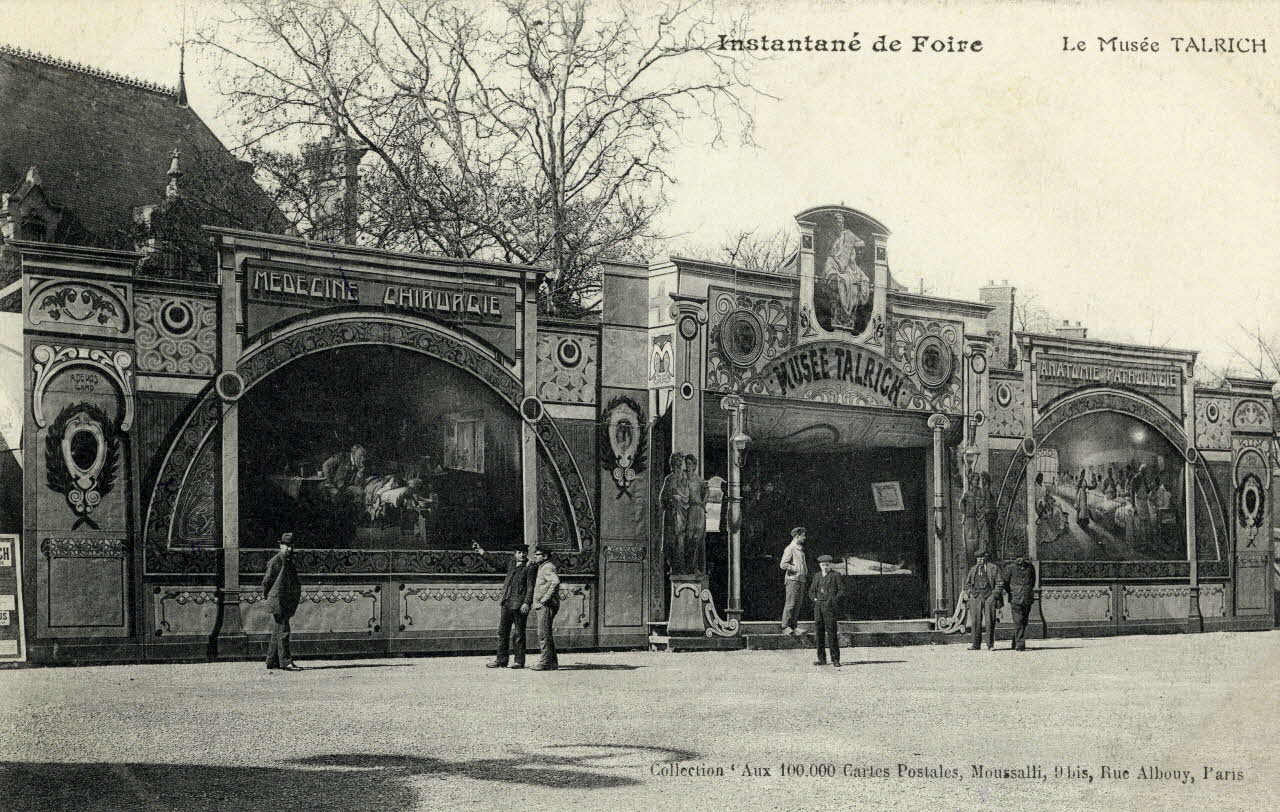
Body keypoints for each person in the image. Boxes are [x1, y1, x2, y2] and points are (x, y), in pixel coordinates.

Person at [475, 542, 537, 669]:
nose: (523, 555)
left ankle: (519, 661)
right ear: (515, 554)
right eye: (520, 552)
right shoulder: (511, 563)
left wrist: (527, 602)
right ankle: (501, 660)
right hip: (507, 602)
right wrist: (481, 551)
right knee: (502, 632)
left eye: (524, 552)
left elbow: (531, 587)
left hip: (519, 604)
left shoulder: (530, 567)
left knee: (519, 633)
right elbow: (496, 563)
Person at [822, 212, 871, 328]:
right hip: (833, 261)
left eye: (841, 222)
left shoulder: (848, 234)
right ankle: (840, 314)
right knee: (835, 275)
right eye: (838, 222)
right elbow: (829, 252)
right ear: (834, 224)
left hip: (846, 263)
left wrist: (851, 245)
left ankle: (846, 314)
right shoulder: (830, 236)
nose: (840, 225)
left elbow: (862, 243)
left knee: (853, 278)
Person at [263, 532, 302, 671]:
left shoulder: (288, 561)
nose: (289, 549)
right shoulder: (276, 560)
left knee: (278, 630)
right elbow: (266, 581)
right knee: (284, 630)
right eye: (286, 545)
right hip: (278, 601)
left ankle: (271, 661)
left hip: (284, 600)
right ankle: (285, 662)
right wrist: (269, 596)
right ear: (280, 545)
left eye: (291, 546)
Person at [808, 555, 845, 667]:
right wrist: (814, 598)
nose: (825, 567)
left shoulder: (835, 575)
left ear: (830, 565)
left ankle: (835, 659)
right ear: (820, 565)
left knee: (831, 632)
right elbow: (811, 590)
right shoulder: (817, 576)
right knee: (819, 632)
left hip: (829, 608)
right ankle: (821, 658)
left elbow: (841, 590)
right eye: (823, 565)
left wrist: (833, 600)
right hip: (818, 607)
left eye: (827, 565)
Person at [529, 547, 560, 671]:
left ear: (545, 556)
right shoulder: (543, 567)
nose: (535, 556)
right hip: (544, 604)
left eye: (538, 554)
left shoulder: (547, 567)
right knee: (546, 633)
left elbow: (556, 582)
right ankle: (552, 662)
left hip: (546, 605)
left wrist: (545, 598)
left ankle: (544, 662)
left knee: (543, 634)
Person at [963, 553, 1002, 651]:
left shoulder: (993, 568)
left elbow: (999, 582)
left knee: (990, 620)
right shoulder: (973, 569)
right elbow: (967, 584)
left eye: (982, 558)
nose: (980, 560)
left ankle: (990, 645)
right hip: (975, 597)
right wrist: (970, 593)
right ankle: (975, 644)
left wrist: (994, 594)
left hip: (989, 596)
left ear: (986, 558)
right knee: (975, 621)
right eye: (978, 558)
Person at [658, 453, 689, 575]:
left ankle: (682, 566)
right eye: (675, 464)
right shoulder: (669, 479)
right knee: (670, 541)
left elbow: (690, 494)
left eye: (679, 464)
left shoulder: (685, 478)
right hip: (671, 514)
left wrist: (682, 500)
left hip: (683, 513)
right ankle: (673, 566)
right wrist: (671, 499)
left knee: (682, 539)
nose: (677, 467)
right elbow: (662, 498)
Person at [1001, 555, 1037, 651]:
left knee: (1024, 621)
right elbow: (1005, 582)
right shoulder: (1010, 568)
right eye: (1017, 557)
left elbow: (1033, 581)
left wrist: (1028, 590)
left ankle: (1015, 641)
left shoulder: (1030, 567)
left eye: (1022, 557)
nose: (1020, 559)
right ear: (1014, 558)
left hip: (1027, 597)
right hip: (1015, 597)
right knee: (1018, 621)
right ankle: (1020, 644)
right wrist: (1011, 592)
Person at [779, 527, 811, 635]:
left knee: (797, 604)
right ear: (797, 536)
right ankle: (785, 626)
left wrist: (804, 573)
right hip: (792, 580)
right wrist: (795, 569)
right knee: (791, 603)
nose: (804, 538)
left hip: (800, 580)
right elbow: (783, 564)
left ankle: (794, 626)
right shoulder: (790, 548)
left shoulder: (800, 549)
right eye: (803, 535)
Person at [683, 454, 708, 576]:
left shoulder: (698, 479)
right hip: (688, 509)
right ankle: (689, 566)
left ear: (694, 465)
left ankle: (695, 567)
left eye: (689, 464)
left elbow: (707, 490)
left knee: (698, 539)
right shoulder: (683, 477)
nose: (687, 466)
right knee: (688, 538)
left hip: (698, 509)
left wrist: (703, 503)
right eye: (686, 463)